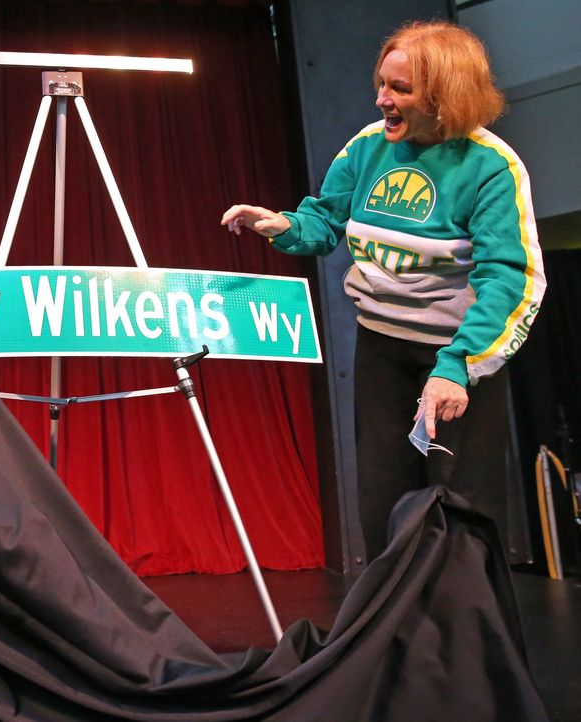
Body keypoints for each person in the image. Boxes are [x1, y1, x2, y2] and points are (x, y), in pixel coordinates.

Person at [220, 20, 545, 560]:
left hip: (458, 355)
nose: (382, 100)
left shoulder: (492, 167)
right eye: (381, 84)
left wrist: (457, 365)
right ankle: (393, 637)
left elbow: (511, 282)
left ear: (443, 96)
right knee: (383, 506)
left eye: (400, 89)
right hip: (381, 348)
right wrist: (282, 225)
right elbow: (326, 221)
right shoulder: (367, 148)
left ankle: (462, 638)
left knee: (461, 510)